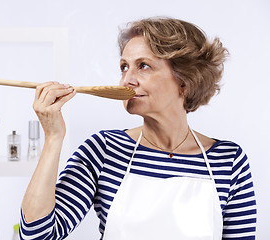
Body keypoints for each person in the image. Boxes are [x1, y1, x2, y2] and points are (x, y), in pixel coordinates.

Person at [19, 17, 257, 240]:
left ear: (185, 81)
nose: (126, 81)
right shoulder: (103, 150)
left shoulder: (228, 160)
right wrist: (52, 137)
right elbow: (37, 235)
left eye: (143, 66)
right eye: (124, 67)